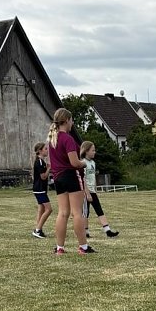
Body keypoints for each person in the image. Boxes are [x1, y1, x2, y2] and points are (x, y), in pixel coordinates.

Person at [47, 108, 95, 255]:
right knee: (77, 213)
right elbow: (74, 162)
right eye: (72, 120)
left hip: (58, 178)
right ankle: (83, 247)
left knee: (62, 213)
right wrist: (84, 163)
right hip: (71, 175)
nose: (72, 123)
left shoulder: (52, 140)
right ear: (67, 120)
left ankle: (60, 248)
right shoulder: (67, 139)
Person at [79, 141, 120, 239]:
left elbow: (93, 178)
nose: (94, 152)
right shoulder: (83, 163)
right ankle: (86, 232)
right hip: (85, 192)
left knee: (99, 210)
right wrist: (87, 193)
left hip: (92, 191)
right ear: (86, 151)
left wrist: (95, 189)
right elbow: (83, 179)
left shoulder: (93, 163)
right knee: (85, 212)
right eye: (92, 150)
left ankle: (108, 231)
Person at [31, 143, 52, 238]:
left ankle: (38, 228)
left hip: (40, 189)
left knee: (41, 209)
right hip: (39, 189)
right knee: (49, 209)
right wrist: (48, 169)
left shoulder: (41, 162)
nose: (47, 150)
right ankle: (38, 230)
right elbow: (43, 177)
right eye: (45, 149)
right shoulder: (39, 162)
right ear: (40, 151)